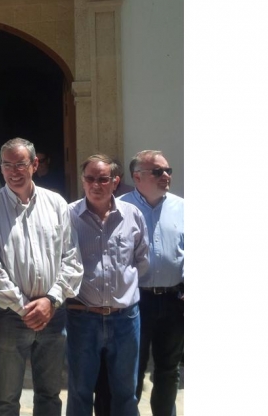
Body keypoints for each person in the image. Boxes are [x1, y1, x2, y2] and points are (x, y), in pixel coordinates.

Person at [0, 138, 83, 416]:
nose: (14, 172)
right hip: (9, 318)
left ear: (35, 164)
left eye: (21, 164)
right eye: (7, 165)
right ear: (0, 168)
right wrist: (24, 307)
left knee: (50, 395)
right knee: (6, 398)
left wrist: (51, 300)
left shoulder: (56, 203)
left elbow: (72, 258)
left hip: (53, 314)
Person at [66, 154, 149, 416]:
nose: (96, 184)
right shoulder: (68, 216)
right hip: (82, 318)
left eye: (103, 179)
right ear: (83, 181)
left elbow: (141, 261)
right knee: (79, 391)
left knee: (126, 392)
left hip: (125, 319)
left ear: (115, 181)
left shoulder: (132, 215)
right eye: (90, 178)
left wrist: (123, 290)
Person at [121, 150, 184, 416]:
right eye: (158, 171)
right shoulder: (120, 208)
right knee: (132, 369)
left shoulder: (183, 207)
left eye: (168, 170)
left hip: (174, 300)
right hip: (136, 302)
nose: (166, 176)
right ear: (138, 176)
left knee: (169, 370)